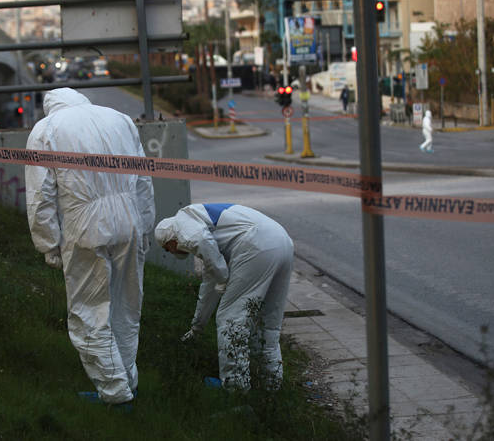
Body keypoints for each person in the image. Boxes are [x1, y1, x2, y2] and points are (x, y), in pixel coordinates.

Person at [25, 87, 155, 405]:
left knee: (89, 313)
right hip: (130, 221)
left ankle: (115, 395)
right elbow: (143, 180)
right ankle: (128, 382)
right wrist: (146, 225)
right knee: (126, 309)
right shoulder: (120, 120)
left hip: (85, 227)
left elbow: (41, 195)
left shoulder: (46, 130)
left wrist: (48, 243)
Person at [155, 203, 294, 391]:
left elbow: (202, 242)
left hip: (256, 243)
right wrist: (197, 328)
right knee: (267, 323)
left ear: (169, 239)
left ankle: (236, 387)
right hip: (282, 241)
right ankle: (271, 384)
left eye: (166, 248)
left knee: (230, 319)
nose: (170, 252)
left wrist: (222, 278)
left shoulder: (182, 222)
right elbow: (208, 289)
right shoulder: (212, 239)